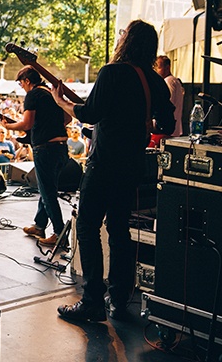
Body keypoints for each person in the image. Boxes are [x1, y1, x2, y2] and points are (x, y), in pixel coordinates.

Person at [50, 20, 175, 322]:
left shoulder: (112, 72)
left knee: (88, 226)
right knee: (120, 229)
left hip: (104, 161)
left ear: (127, 42)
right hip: (132, 165)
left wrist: (60, 102)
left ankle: (92, 300)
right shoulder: (153, 79)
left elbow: (88, 114)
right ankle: (119, 299)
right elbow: (167, 125)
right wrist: (141, 125)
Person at [2, 66, 70, 246]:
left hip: (45, 149)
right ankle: (40, 225)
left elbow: (27, 123)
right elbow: (68, 118)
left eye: (21, 83)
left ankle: (59, 233)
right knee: (48, 189)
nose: (21, 87)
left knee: (48, 193)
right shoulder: (50, 92)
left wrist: (8, 127)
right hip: (61, 147)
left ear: (26, 80)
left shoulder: (32, 95)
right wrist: (52, 124)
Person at [154, 55, 184, 139]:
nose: (156, 71)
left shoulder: (168, 81)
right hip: (175, 129)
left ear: (167, 67)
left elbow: (165, 105)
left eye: (158, 68)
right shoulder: (176, 81)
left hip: (166, 131)